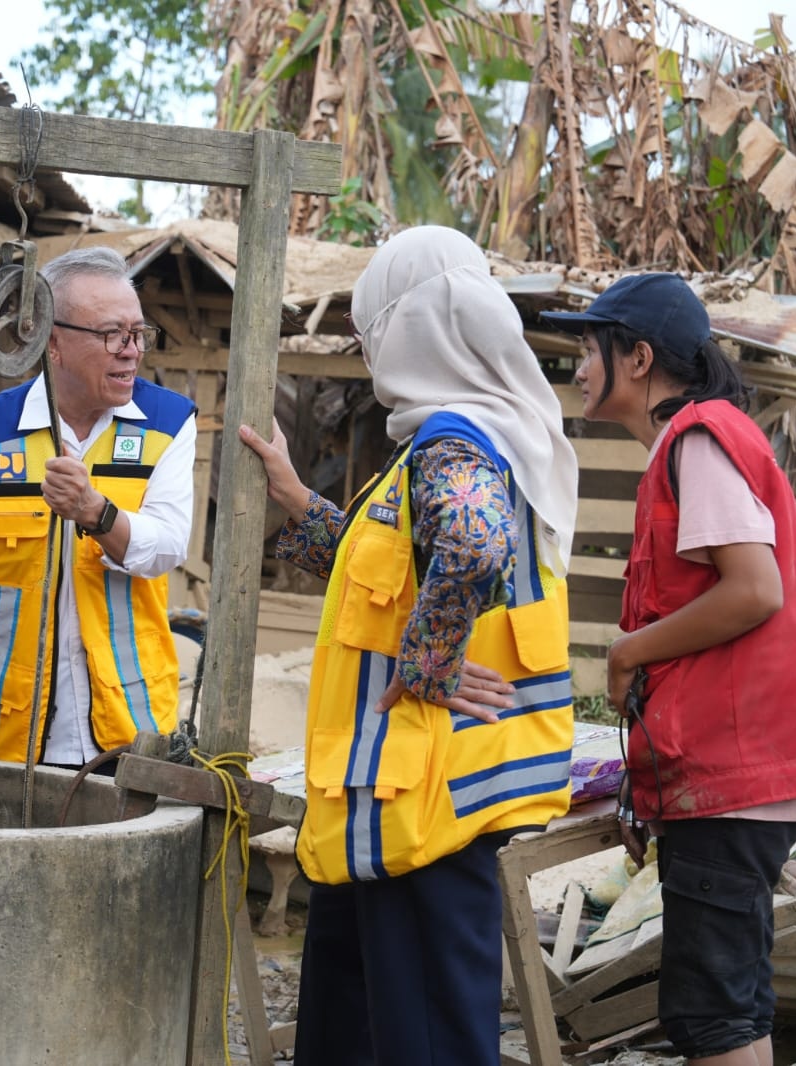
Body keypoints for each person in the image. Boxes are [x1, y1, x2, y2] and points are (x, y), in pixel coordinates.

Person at [239, 225, 579, 1065]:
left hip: (423, 803)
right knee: (360, 1030)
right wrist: (296, 501)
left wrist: (427, 666)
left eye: (368, 333)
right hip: (400, 804)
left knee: (424, 1045)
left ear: (407, 329)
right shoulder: (490, 437)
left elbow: (468, 540)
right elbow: (383, 581)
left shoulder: (452, 445)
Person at [543, 273, 796, 1066]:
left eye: (591, 349)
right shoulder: (703, 439)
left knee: (714, 1016)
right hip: (733, 779)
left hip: (730, 782)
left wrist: (626, 652)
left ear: (640, 357)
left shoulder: (698, 440)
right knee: (727, 1007)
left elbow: (755, 590)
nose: (579, 367)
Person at [0, 247, 197, 770]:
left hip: (129, 728)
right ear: (51, 342)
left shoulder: (168, 423)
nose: (131, 351)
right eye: (113, 334)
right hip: (0, 726)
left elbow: (169, 545)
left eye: (138, 334)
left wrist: (96, 513)